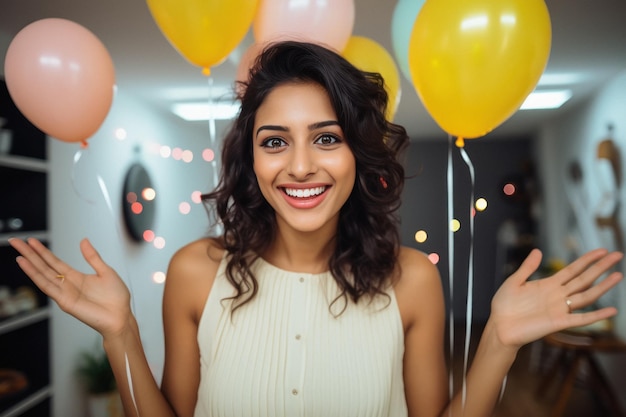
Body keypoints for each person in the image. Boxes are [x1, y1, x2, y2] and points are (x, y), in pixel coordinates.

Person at [8, 41, 623, 417]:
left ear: (358, 153)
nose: (300, 166)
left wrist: (499, 343)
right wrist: (120, 333)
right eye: (275, 142)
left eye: (326, 139)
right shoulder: (197, 272)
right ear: (252, 159)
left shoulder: (411, 280)